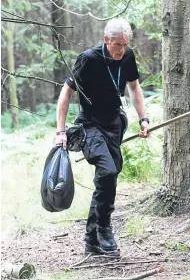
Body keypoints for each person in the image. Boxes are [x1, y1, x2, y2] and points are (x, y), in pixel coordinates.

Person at [55, 18, 149, 256]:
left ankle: (91, 240)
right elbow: (66, 92)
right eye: (117, 44)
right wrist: (60, 131)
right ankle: (104, 229)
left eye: (125, 45)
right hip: (89, 126)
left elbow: (134, 87)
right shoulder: (88, 59)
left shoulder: (127, 57)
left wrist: (143, 119)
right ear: (106, 40)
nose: (121, 50)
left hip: (114, 125)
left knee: (109, 177)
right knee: (107, 171)